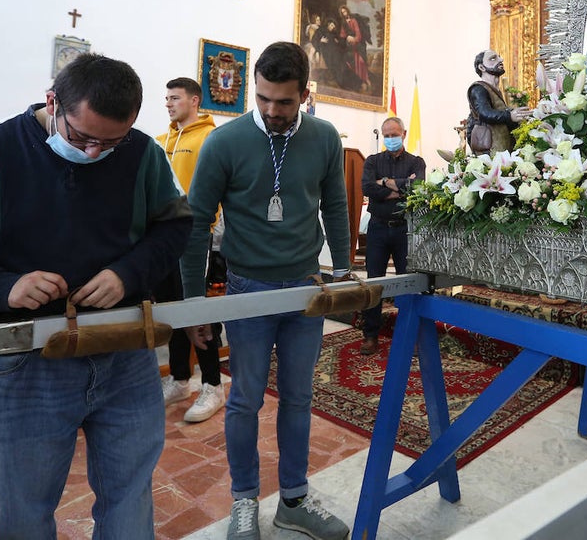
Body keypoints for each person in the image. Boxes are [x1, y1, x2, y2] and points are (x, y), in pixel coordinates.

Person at [0, 54, 192, 538]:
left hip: (125, 351)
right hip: (28, 359)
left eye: (112, 142)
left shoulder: (141, 152)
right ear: (53, 102)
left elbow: (175, 227)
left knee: (131, 497)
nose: (95, 153)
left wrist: (128, 273)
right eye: (82, 137)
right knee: (24, 511)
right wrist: (2, 286)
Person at [180, 41, 352, 540]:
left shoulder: (323, 138)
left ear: (304, 94)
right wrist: (194, 305)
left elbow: (335, 206)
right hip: (248, 288)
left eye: (285, 102)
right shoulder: (224, 142)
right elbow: (196, 223)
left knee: (298, 397)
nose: (273, 111)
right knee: (244, 399)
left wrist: (342, 272)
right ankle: (244, 501)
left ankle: (294, 500)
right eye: (263, 99)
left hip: (304, 288)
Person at [156, 77, 226, 423]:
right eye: (167, 98)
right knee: (173, 312)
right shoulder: (160, 141)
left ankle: (213, 384)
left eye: (175, 98)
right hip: (164, 239)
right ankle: (180, 378)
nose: (168, 104)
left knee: (199, 312)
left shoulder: (211, 139)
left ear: (195, 100)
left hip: (198, 237)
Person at [359, 117, 426, 356]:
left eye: (394, 134)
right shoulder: (372, 161)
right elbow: (367, 188)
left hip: (403, 229)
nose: (390, 139)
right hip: (377, 228)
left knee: (407, 282)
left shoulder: (416, 162)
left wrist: (385, 183)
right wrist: (400, 187)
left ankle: (409, 334)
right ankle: (370, 335)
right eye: (386, 135)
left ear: (404, 134)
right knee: (373, 282)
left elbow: (418, 188)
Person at [466, 49, 530, 155]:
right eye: (493, 59)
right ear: (482, 67)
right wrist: (510, 116)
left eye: (499, 57)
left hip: (502, 147)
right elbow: (484, 113)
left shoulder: (496, 90)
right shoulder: (478, 89)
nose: (501, 60)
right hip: (489, 150)